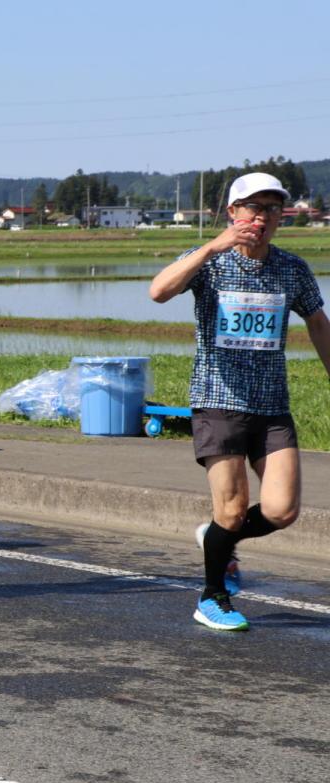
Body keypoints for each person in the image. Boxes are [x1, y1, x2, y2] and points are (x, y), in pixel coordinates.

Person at [148, 172, 330, 631]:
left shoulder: (291, 268)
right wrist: (214, 245)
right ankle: (212, 597)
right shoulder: (209, 263)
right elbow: (159, 291)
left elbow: (318, 324)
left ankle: (215, 539)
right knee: (230, 509)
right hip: (218, 401)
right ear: (233, 213)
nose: (261, 217)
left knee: (281, 510)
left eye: (271, 208)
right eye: (252, 207)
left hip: (272, 406)